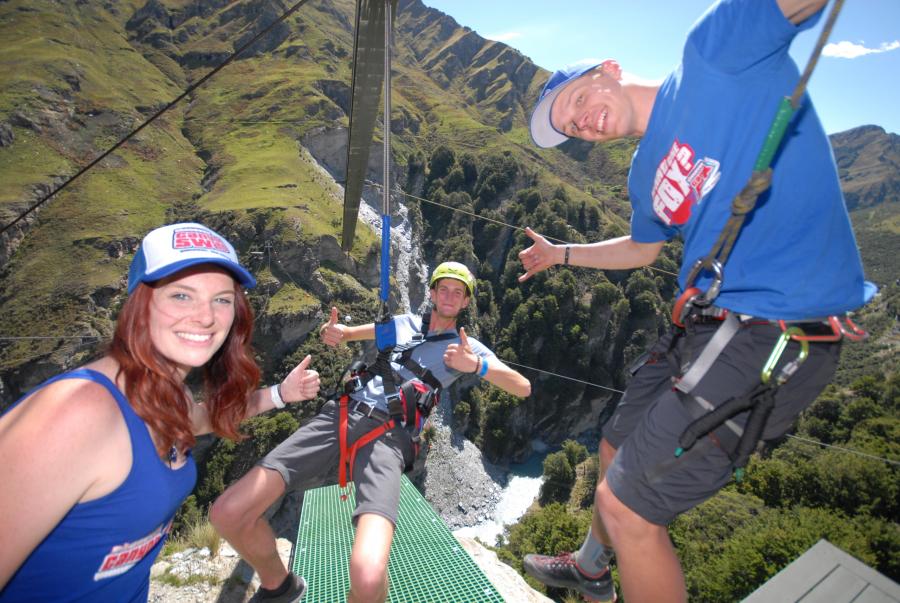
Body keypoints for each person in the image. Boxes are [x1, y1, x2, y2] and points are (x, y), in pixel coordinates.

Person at [517, 1, 875, 602]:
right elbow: (643, 249)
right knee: (612, 445)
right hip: (700, 327)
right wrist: (563, 254)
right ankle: (592, 567)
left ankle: (615, 551)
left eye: (577, 101)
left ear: (607, 68)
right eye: (572, 127)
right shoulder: (642, 173)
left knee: (628, 507)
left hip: (769, 329)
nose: (584, 122)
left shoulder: (714, 56)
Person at [0, 222, 321, 603]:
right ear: (140, 303)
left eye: (221, 299)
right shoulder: (74, 413)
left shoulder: (167, 396)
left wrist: (280, 395)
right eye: (181, 296)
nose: (206, 317)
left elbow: (206, 419)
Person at [210, 261, 531, 603]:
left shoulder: (467, 348)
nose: (450, 296)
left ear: (466, 301)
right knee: (228, 513)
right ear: (433, 293)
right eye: (444, 289)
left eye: (458, 292)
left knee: (367, 575)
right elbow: (345, 335)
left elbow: (522, 386)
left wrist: (476, 365)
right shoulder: (402, 324)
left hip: (390, 437)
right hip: (341, 415)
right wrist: (332, 333)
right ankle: (279, 585)